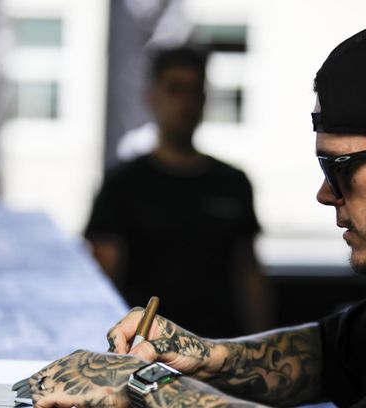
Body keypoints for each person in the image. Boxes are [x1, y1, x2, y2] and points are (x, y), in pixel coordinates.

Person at [30, 11, 366, 407]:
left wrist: (145, 388)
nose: (325, 193)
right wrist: (199, 352)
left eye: (340, 167)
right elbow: (325, 354)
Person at [84, 46, 271, 338]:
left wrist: (260, 343)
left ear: (205, 99)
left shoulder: (232, 182)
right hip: (145, 347)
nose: (185, 102)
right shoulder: (123, 184)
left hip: (220, 345)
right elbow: (103, 278)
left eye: (194, 91)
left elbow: (248, 273)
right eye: (175, 89)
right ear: (152, 97)